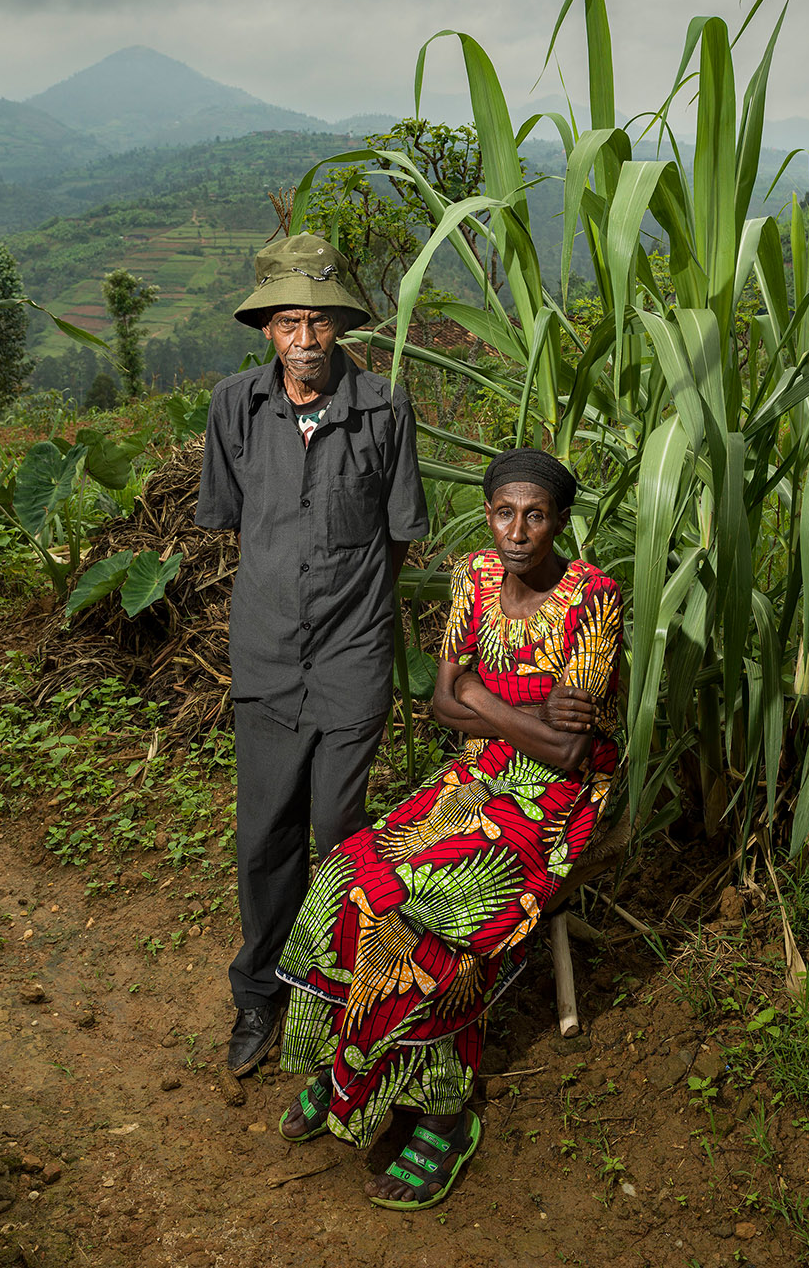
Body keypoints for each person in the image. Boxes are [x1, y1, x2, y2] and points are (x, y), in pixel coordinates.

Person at [274, 448, 622, 1211]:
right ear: (488, 513)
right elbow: (440, 703)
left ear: (560, 520)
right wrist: (507, 710)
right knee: (345, 874)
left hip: (557, 796)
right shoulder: (472, 576)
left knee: (435, 915)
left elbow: (567, 749)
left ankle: (442, 1109)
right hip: (476, 774)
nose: (518, 530)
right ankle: (346, 1064)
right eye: (504, 512)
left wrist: (481, 696)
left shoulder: (591, 597)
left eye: (536, 514)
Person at [194, 232, 429, 1076]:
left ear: (340, 326)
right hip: (264, 652)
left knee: (339, 828)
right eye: (288, 321)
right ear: (266, 329)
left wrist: (352, 606)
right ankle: (259, 994)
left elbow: (399, 537)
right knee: (262, 835)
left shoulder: (383, 407)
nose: (304, 339)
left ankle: (337, 991)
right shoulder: (235, 406)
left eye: (319, 321)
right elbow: (231, 523)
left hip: (353, 655)